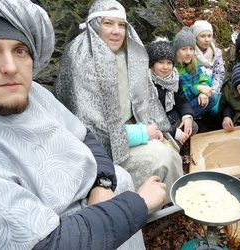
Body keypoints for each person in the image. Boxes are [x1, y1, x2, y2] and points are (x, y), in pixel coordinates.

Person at [0, 0, 166, 249]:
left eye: (20, 51)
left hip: (106, 206)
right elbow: (46, 243)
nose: (10, 68)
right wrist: (138, 205)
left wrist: (102, 183)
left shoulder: (34, 93)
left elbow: (83, 135)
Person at [53, 0, 183, 199]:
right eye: (108, 23)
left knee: (169, 147)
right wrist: (142, 132)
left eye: (121, 25)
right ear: (95, 25)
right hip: (102, 150)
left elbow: (142, 101)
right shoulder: (80, 59)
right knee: (163, 157)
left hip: (131, 129)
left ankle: (165, 203)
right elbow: (90, 129)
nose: (116, 31)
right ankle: (144, 206)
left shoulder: (128, 56)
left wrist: (153, 127)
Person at [146, 37, 198, 146]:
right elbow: (150, 116)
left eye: (169, 63)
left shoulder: (174, 78)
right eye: (160, 62)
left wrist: (187, 116)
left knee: (192, 126)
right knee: (166, 142)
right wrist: (175, 132)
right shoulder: (147, 83)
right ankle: (175, 148)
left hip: (171, 117)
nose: (165, 67)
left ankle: (177, 146)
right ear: (152, 64)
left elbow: (181, 100)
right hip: (155, 124)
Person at [174, 26, 216, 119]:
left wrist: (203, 92)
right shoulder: (173, 68)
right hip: (180, 106)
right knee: (201, 101)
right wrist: (198, 88)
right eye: (184, 49)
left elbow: (203, 78)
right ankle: (183, 122)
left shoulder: (193, 62)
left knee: (212, 98)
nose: (188, 53)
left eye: (191, 49)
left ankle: (195, 118)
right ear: (177, 51)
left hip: (192, 99)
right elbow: (179, 97)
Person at [191, 20, 225, 95]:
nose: (207, 40)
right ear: (195, 37)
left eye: (209, 36)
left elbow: (219, 74)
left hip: (212, 90)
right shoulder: (190, 52)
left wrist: (212, 91)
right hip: (195, 89)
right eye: (202, 36)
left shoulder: (216, 52)